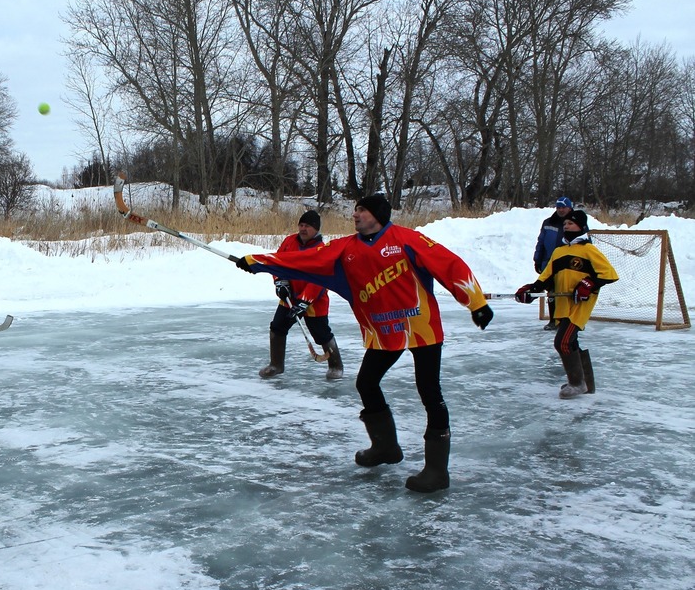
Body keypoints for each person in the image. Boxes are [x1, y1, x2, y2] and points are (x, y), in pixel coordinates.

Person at [235, 194, 493, 493]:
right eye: (355, 209)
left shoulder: (408, 239)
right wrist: (259, 262)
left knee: (429, 391)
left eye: (362, 210)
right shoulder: (345, 248)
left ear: (378, 215)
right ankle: (386, 447)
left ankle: (437, 471)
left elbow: (450, 265)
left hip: (422, 328)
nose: (355, 215)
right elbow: (304, 260)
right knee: (366, 383)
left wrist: (476, 303)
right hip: (383, 332)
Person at [516, 209, 618, 399]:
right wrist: (530, 291)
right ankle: (587, 383)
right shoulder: (559, 251)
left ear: (581, 226)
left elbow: (609, 275)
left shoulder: (589, 250)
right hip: (563, 304)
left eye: (570, 223)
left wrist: (588, 284)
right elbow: (545, 278)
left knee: (562, 341)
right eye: (564, 224)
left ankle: (576, 382)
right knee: (571, 341)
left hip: (579, 305)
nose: (566, 226)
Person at [259, 210, 344, 380]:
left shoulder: (321, 249)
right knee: (277, 327)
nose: (303, 229)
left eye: (308, 226)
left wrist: (304, 302)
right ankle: (276, 364)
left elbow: (320, 280)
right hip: (289, 297)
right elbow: (277, 263)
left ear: (316, 229)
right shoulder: (290, 241)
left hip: (314, 302)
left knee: (321, 334)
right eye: (301, 225)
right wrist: (279, 282)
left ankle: (336, 365)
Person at [533, 197, 574, 329]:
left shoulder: (575, 223)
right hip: (549, 262)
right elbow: (541, 242)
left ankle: (571, 321)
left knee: (569, 291)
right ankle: (553, 320)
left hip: (569, 264)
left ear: (569, 208)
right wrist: (537, 260)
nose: (561, 210)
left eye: (563, 207)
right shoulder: (548, 222)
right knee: (551, 291)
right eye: (558, 207)